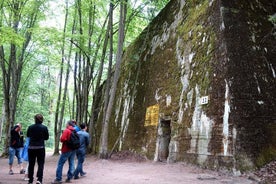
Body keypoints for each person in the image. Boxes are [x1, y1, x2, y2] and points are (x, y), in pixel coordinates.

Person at [27, 114, 49, 184]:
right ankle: (39, 179)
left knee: (31, 164)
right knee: (41, 164)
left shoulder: (30, 127)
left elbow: (28, 135)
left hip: (31, 148)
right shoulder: (44, 128)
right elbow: (46, 138)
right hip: (40, 148)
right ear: (42, 119)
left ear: (35, 119)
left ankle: (30, 180)